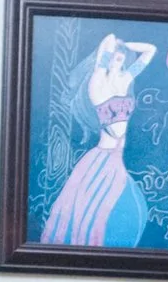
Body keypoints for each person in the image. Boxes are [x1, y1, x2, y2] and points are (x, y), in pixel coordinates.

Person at [38, 33, 155, 247]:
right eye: (112, 58)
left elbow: (150, 50)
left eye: (120, 58)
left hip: (116, 157)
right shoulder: (97, 83)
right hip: (102, 157)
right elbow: (116, 128)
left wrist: (125, 45)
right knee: (88, 209)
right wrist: (108, 47)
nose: (116, 61)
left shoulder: (125, 79)